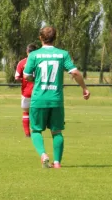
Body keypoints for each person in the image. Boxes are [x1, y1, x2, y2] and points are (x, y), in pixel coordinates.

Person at [24, 26, 90, 169]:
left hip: (39, 98)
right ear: (55, 37)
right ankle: (57, 163)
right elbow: (76, 73)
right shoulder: (63, 54)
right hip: (56, 99)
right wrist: (84, 88)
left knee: (36, 130)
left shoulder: (34, 55)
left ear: (40, 38)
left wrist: (35, 80)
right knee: (57, 132)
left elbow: (26, 76)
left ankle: (43, 155)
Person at [14, 43, 38, 137]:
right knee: (37, 112)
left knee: (26, 112)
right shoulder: (39, 61)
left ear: (27, 51)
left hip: (26, 92)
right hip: (38, 91)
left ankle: (27, 133)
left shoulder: (22, 63)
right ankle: (36, 131)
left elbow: (16, 77)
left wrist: (24, 79)